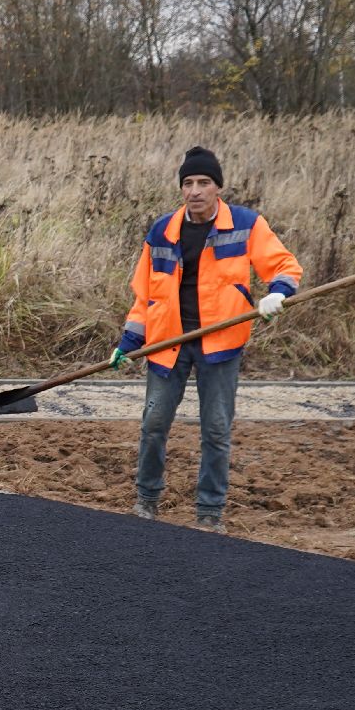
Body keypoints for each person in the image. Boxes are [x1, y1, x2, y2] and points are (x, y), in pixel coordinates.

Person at [111, 145, 302, 533]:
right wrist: (129, 341)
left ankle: (209, 513)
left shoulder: (246, 224)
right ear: (181, 189)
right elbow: (144, 296)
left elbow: (283, 265)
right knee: (153, 425)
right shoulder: (162, 231)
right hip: (168, 345)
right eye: (188, 183)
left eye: (204, 182)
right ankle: (146, 501)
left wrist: (278, 292)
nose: (195, 190)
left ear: (218, 188)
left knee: (216, 429)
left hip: (221, 343)